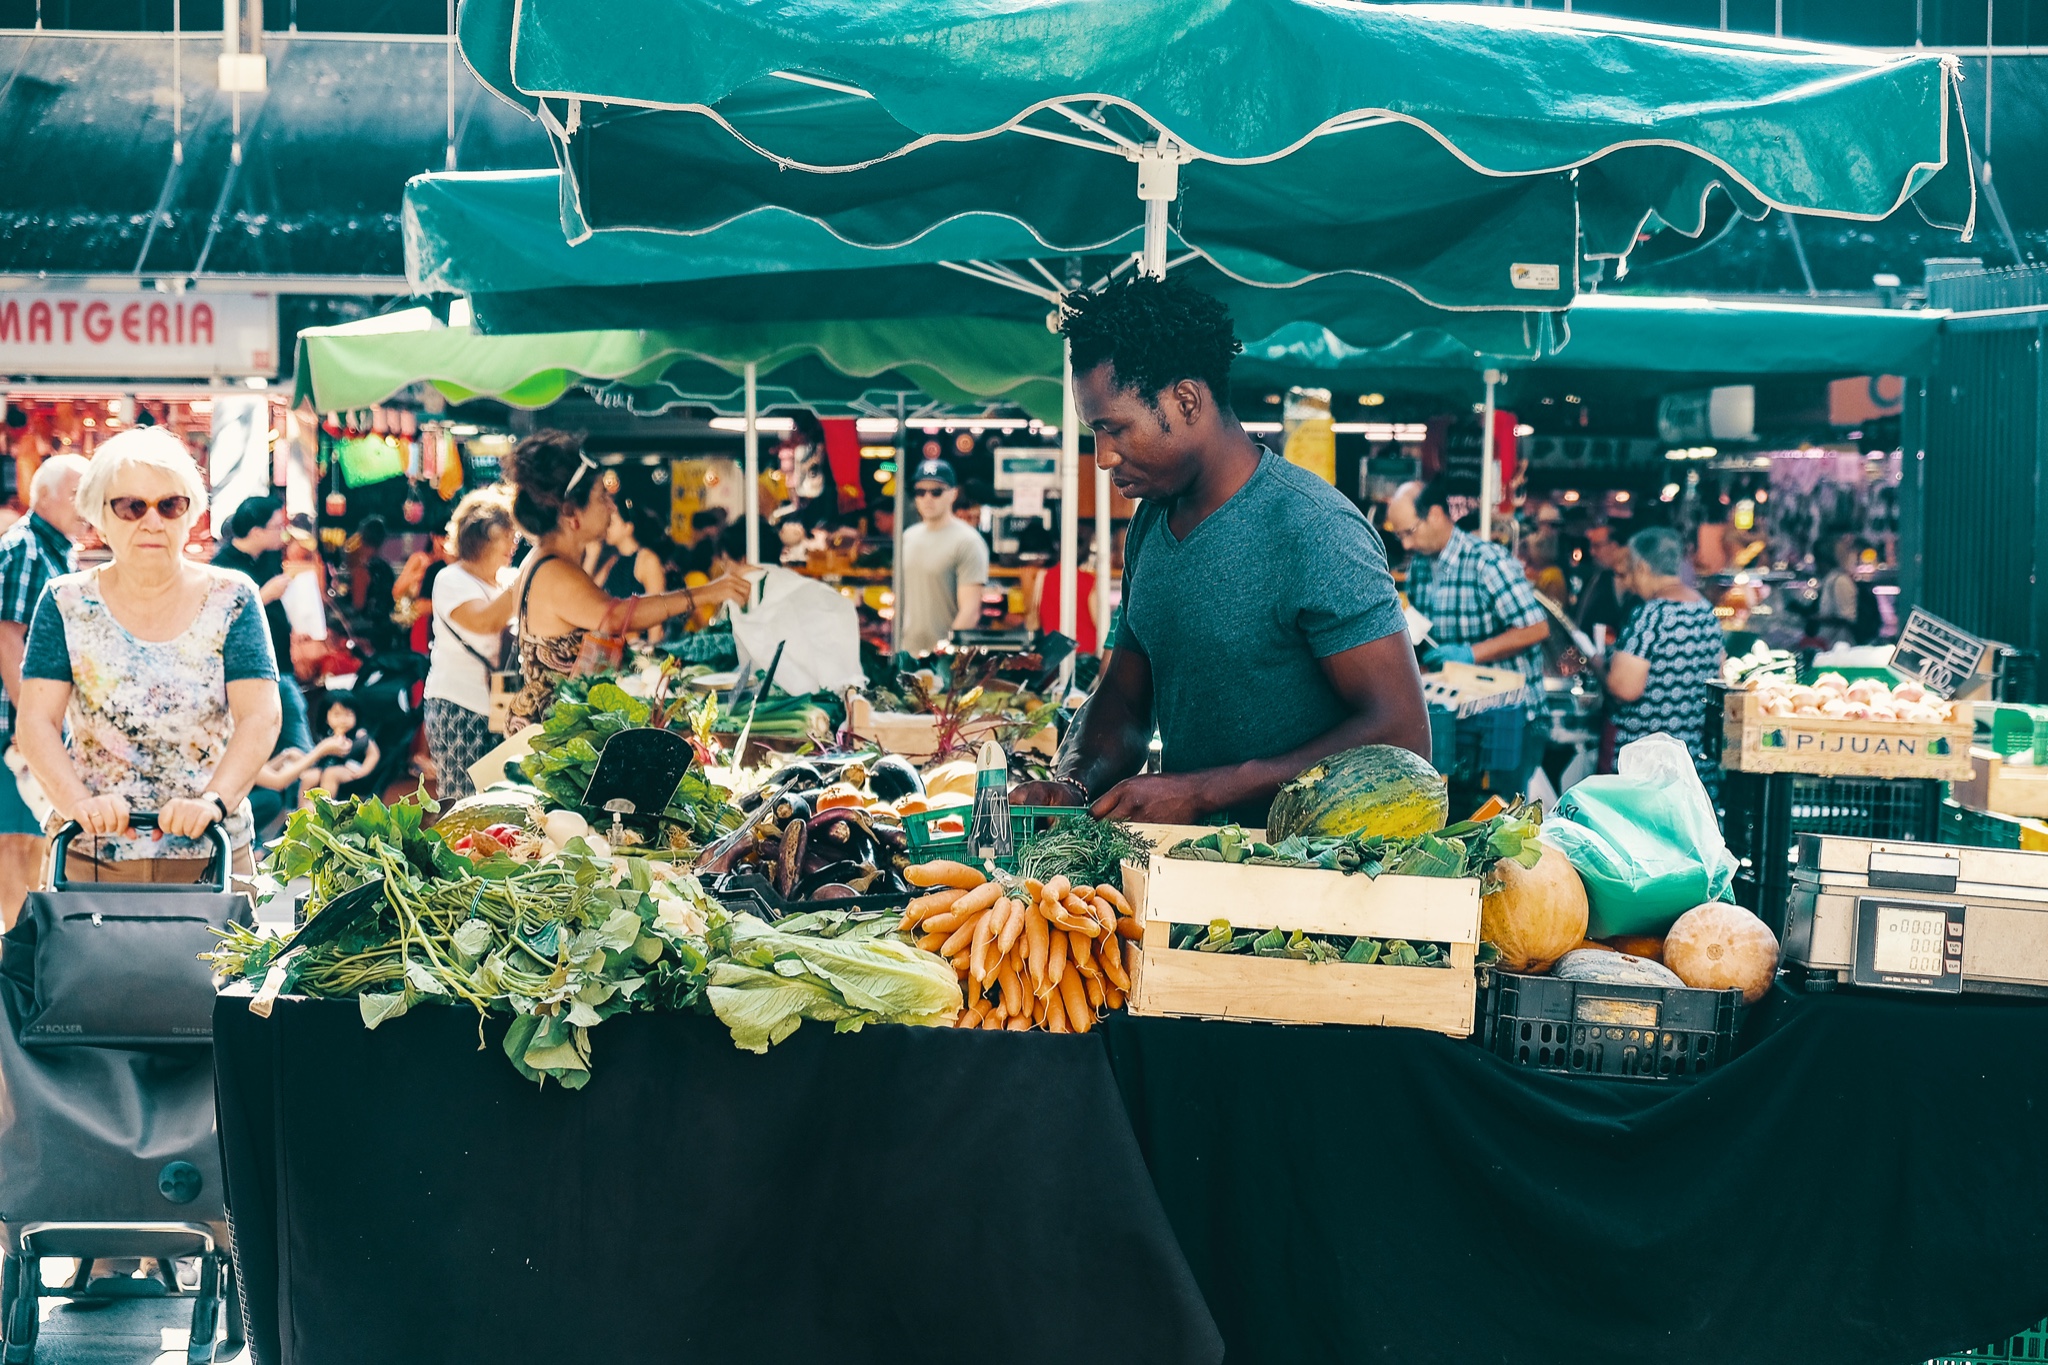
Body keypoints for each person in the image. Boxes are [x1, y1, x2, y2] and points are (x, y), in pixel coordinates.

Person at [1010, 275, 1428, 825]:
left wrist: (1204, 792)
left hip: (1311, 882)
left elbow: (1402, 736)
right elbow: (1126, 700)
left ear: (1186, 400)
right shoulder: (1149, 525)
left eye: (1114, 429)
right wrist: (1073, 780)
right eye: (1095, 433)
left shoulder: (1316, 529)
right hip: (1188, 878)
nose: (1104, 457)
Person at [14, 428, 282, 881]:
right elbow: (36, 722)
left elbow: (261, 716)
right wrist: (79, 804)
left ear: (191, 513)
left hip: (211, 857)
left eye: (169, 505)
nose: (152, 521)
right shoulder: (65, 603)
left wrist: (212, 802)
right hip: (90, 855)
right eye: (131, 506)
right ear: (100, 515)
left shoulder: (233, 598)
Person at [500, 431, 750, 732]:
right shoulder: (554, 570)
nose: (611, 506)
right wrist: (708, 591)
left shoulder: (550, 561)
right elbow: (616, 615)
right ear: (570, 512)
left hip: (559, 729)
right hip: (555, 737)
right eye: (601, 497)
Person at [1386, 475, 1552, 802]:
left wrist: (1470, 653)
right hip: (1459, 722)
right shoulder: (1419, 567)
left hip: (1511, 720)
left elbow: (1536, 629)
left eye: (1409, 532)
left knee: (1501, 815)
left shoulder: (1486, 561)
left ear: (1434, 514)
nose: (1405, 544)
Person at [0, 454, 87, 923]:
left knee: (35, 845)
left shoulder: (55, 550)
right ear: (44, 495)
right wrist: (30, 720)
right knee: (18, 846)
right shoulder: (29, 548)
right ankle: (15, 970)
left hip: (31, 726)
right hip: (15, 730)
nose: (84, 504)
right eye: (76, 493)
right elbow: (8, 635)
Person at [1601, 526, 1727, 783]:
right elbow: (1720, 673)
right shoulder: (1705, 611)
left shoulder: (1651, 616)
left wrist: (1598, 665)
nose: (1632, 584)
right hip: (1692, 763)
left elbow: (1625, 688)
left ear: (1643, 568)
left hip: (1647, 766)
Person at [424, 489, 520, 799]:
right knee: (462, 802)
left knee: (496, 802)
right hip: (458, 707)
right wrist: (529, 576)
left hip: (500, 708)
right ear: (482, 538)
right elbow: (485, 621)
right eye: (506, 535)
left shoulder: (505, 581)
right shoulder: (451, 579)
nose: (513, 544)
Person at [898, 458, 989, 656]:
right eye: (920, 492)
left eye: (936, 491)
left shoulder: (968, 541)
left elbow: (971, 610)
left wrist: (945, 650)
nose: (927, 498)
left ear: (953, 494)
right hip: (908, 651)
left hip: (945, 659)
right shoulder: (907, 537)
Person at [1027, 522, 1100, 655]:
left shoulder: (1043, 576)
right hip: (1086, 654)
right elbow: (1099, 622)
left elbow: (1033, 621)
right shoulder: (1090, 581)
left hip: (1054, 653)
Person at [1573, 522, 1636, 646]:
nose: (1592, 552)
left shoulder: (1626, 583)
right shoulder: (1597, 576)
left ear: (1614, 546)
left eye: (1597, 546)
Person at [303, 698, 379, 797]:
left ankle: (327, 807)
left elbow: (373, 754)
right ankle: (302, 806)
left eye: (348, 714)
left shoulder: (359, 735)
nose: (343, 720)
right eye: (337, 715)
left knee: (331, 774)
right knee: (310, 776)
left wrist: (364, 770)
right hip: (325, 767)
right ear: (326, 718)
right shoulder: (326, 736)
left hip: (351, 768)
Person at [1813, 531, 1862, 647]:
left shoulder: (1840, 581)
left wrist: (1819, 619)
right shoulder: (1830, 580)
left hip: (1841, 646)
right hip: (1830, 644)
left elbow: (1848, 618)